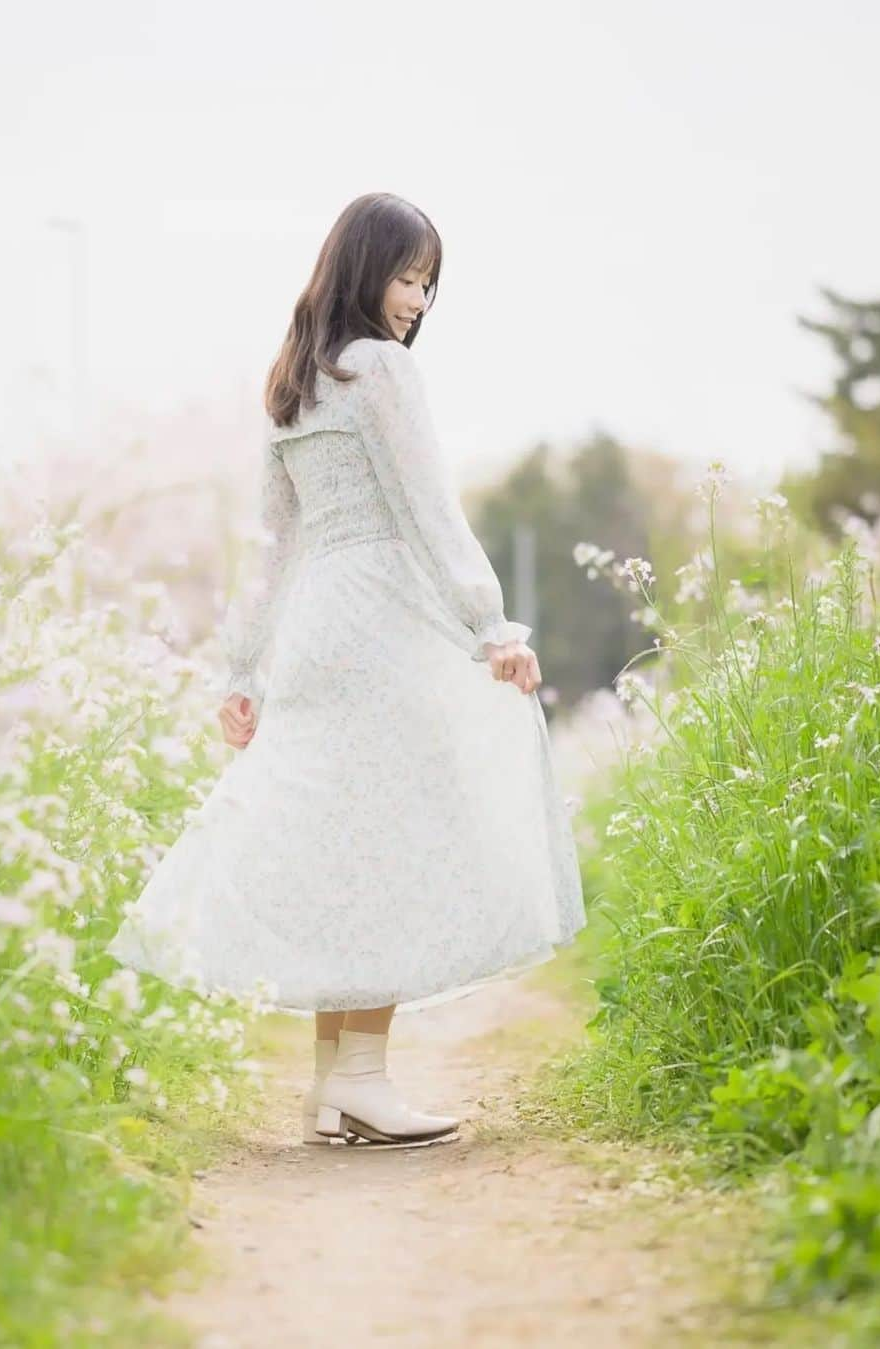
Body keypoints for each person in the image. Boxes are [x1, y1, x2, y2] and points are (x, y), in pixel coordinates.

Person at [107, 191, 587, 1148]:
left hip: (316, 627)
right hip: (384, 619)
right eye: (408, 276)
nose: (418, 298)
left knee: (345, 840)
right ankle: (361, 1077)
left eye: (428, 282)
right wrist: (490, 623)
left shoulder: (296, 380)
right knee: (393, 838)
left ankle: (337, 1087)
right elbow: (429, 508)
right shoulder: (381, 372)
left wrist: (240, 669)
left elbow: (272, 544)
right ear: (366, 270)